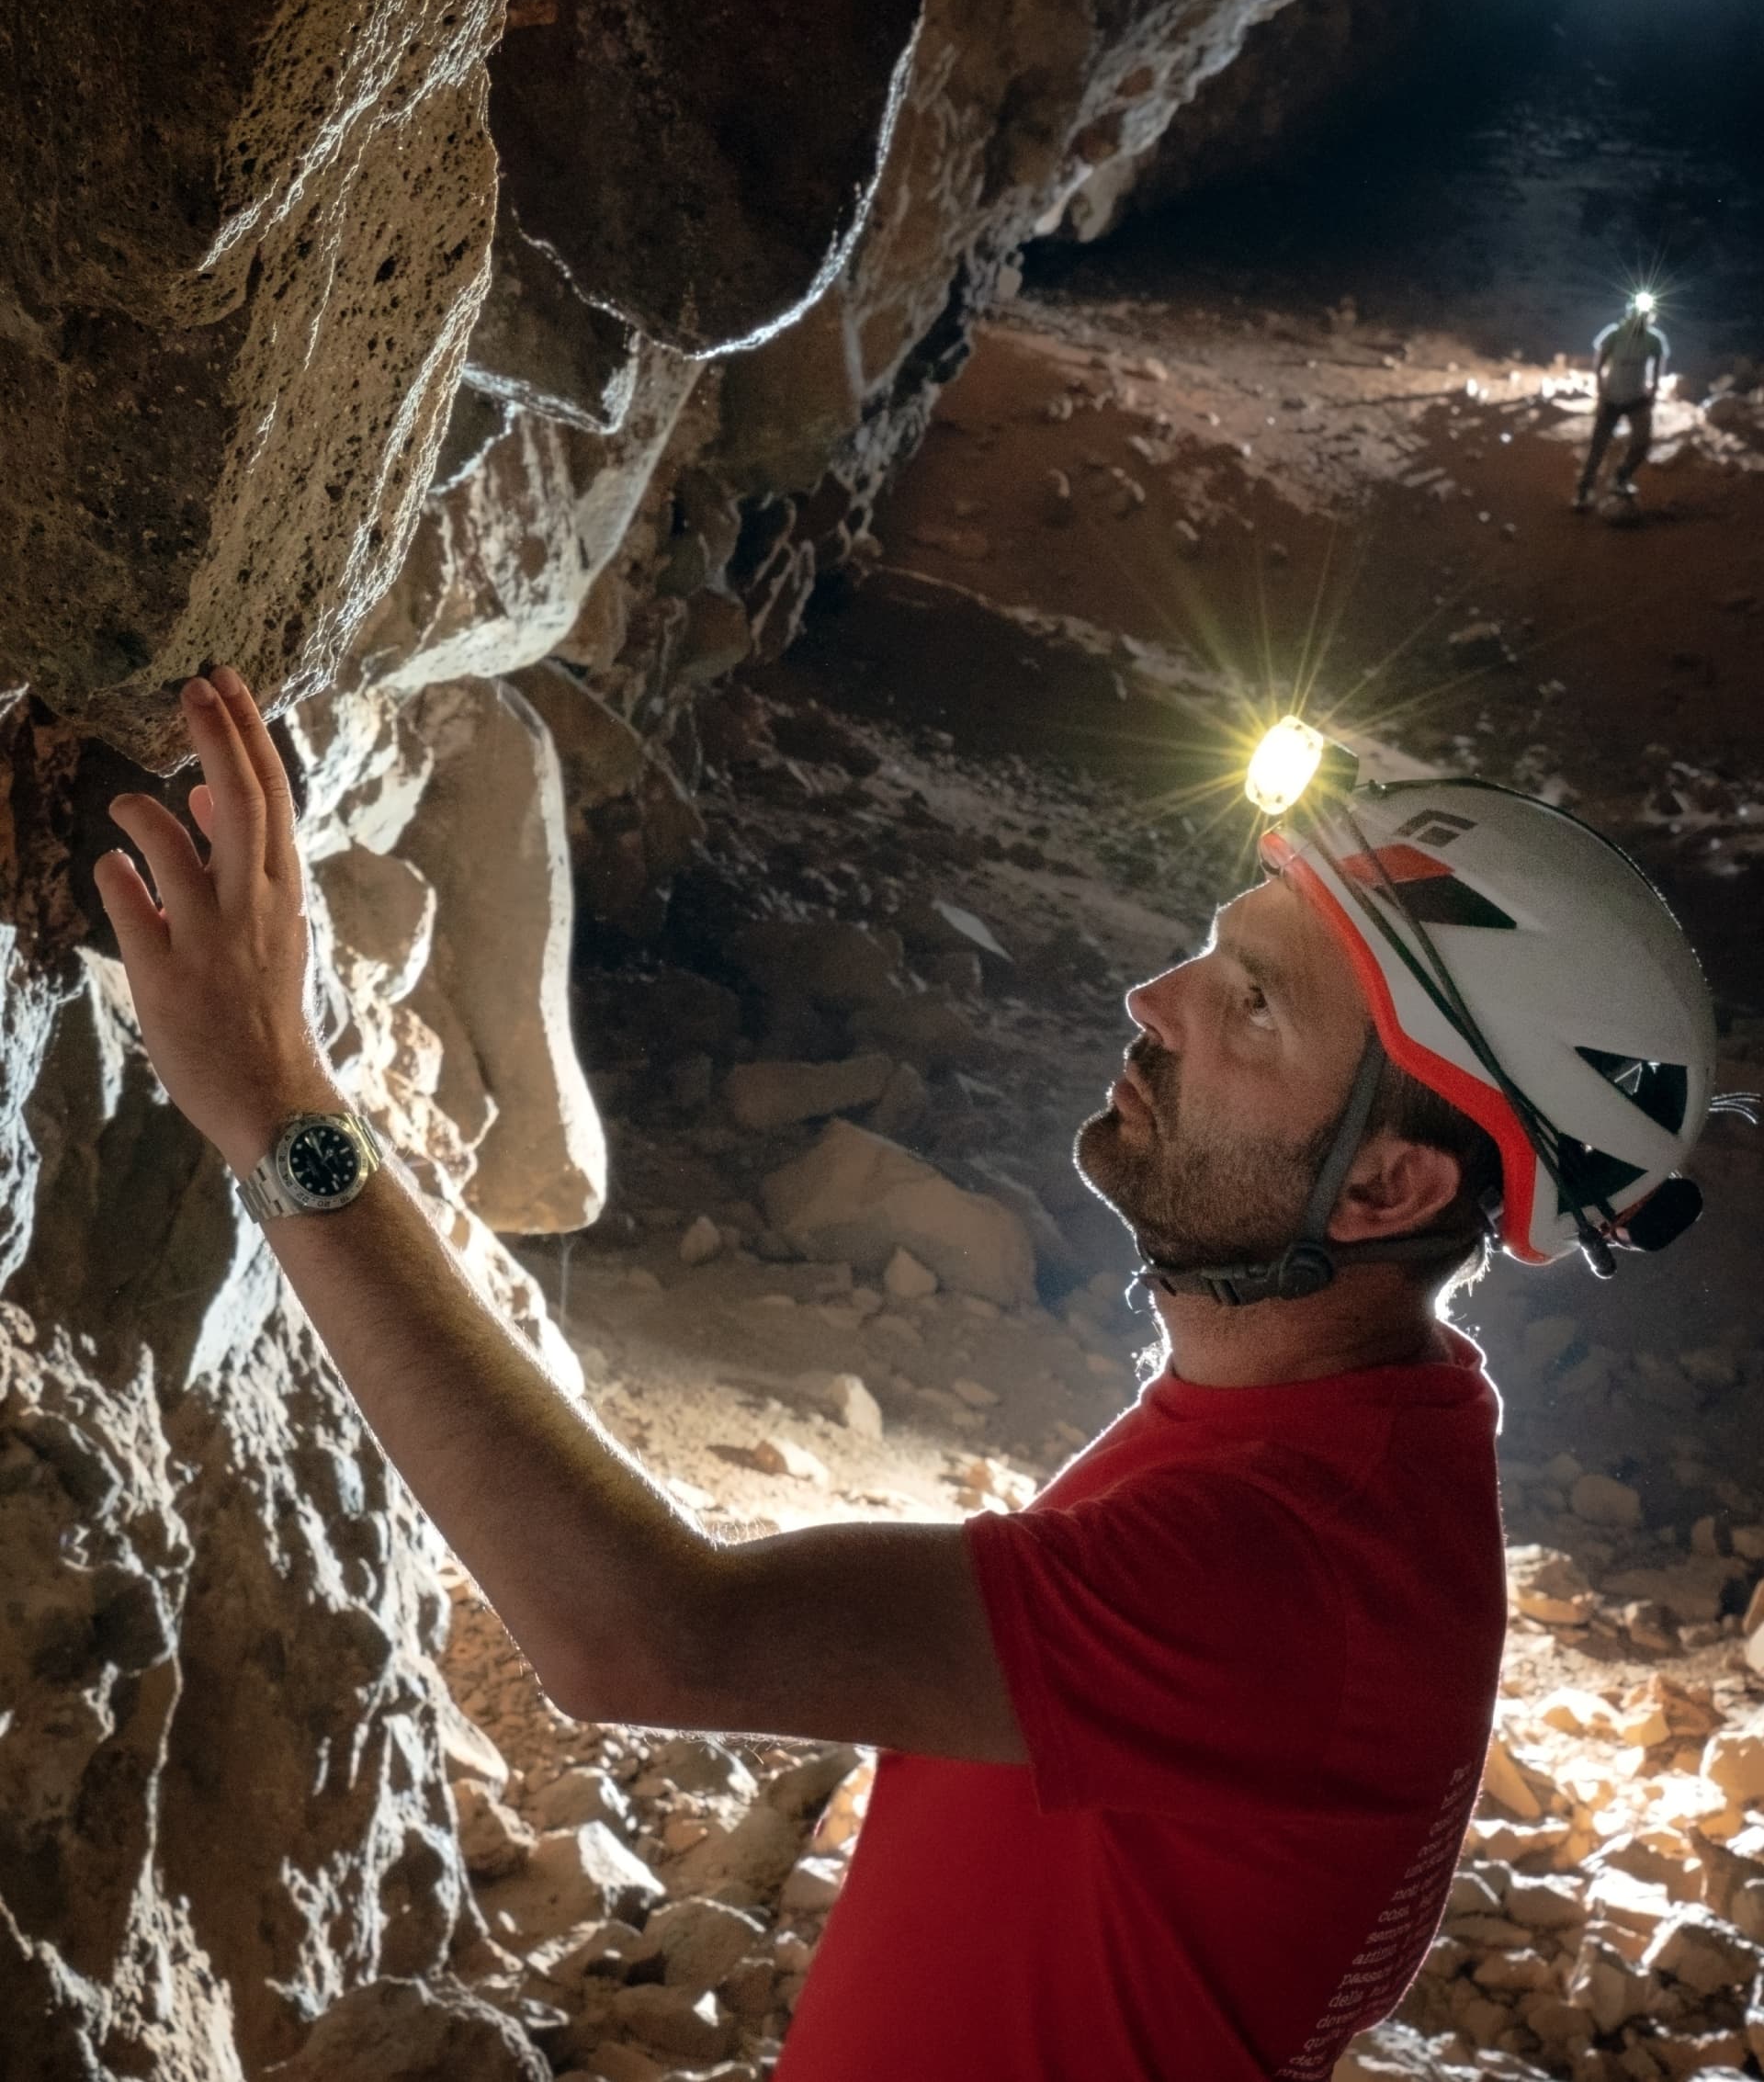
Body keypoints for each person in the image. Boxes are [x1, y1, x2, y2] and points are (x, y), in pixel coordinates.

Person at [96, 671, 1716, 2080]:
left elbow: (645, 1632)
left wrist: (275, 1103)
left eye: (1250, 1007)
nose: (1150, 1004)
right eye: (1210, 954)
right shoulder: (1315, 1434)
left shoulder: (1287, 1570)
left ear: (1384, 1194)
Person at [1575, 292, 1669, 509]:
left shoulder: (1653, 340)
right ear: (1630, 313)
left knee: (1642, 443)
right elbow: (1599, 363)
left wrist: (1652, 392)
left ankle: (1621, 476)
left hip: (1636, 398)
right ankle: (1584, 491)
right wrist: (1601, 391)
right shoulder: (1615, 334)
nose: (1641, 319)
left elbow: (1657, 366)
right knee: (1598, 447)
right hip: (1612, 397)